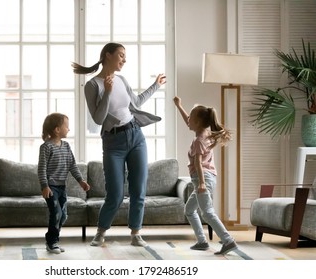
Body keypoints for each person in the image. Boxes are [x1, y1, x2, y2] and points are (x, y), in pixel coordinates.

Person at [72, 42, 166, 247]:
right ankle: (101, 231)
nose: (124, 59)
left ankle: (135, 233)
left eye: (125, 56)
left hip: (136, 136)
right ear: (108, 55)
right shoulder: (92, 85)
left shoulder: (122, 79)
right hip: (113, 143)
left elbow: (137, 102)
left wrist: (156, 85)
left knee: (138, 190)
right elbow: (98, 119)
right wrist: (106, 91)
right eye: (121, 55)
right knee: (115, 193)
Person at [173, 96, 238, 255]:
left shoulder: (199, 141)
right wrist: (179, 106)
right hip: (204, 179)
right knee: (189, 210)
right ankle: (202, 241)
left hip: (203, 179)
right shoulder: (204, 132)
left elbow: (198, 164)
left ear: (198, 123)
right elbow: (187, 120)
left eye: (191, 118)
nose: (188, 120)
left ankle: (228, 240)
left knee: (207, 212)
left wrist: (201, 184)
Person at [38, 113, 90, 254]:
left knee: (63, 215)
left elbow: (72, 165)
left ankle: (53, 239)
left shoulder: (66, 146)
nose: (69, 129)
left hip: (62, 187)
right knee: (56, 213)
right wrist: (45, 186)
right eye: (66, 126)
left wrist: (81, 181)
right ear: (57, 129)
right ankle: (52, 242)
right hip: (51, 188)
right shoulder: (46, 147)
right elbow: (41, 169)